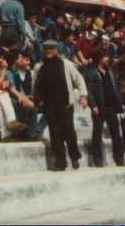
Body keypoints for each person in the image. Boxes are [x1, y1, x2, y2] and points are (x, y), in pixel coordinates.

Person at [33, 39, 88, 171]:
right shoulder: (39, 66)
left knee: (69, 133)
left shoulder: (66, 64)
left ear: (57, 50)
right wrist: (38, 101)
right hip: (49, 107)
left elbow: (79, 79)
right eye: (46, 49)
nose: (49, 51)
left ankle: (74, 157)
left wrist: (83, 96)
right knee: (55, 136)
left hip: (65, 106)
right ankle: (60, 162)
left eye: (52, 49)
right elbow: (35, 85)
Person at [84, 48, 125, 168]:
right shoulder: (92, 73)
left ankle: (119, 159)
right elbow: (89, 91)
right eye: (106, 57)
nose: (108, 59)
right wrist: (93, 105)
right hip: (99, 108)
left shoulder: (111, 73)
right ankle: (97, 160)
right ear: (100, 58)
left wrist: (120, 103)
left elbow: (116, 89)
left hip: (111, 107)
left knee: (116, 135)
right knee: (97, 134)